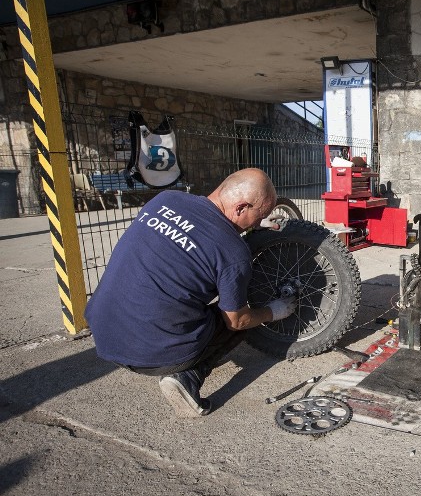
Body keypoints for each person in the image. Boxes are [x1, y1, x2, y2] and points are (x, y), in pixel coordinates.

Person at [85, 168, 295, 416]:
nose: (259, 221)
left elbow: (196, 234)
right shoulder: (233, 253)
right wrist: (273, 311)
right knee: (242, 318)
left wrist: (254, 223)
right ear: (240, 208)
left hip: (104, 331)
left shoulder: (165, 199)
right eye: (259, 215)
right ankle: (187, 377)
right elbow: (237, 321)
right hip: (149, 354)